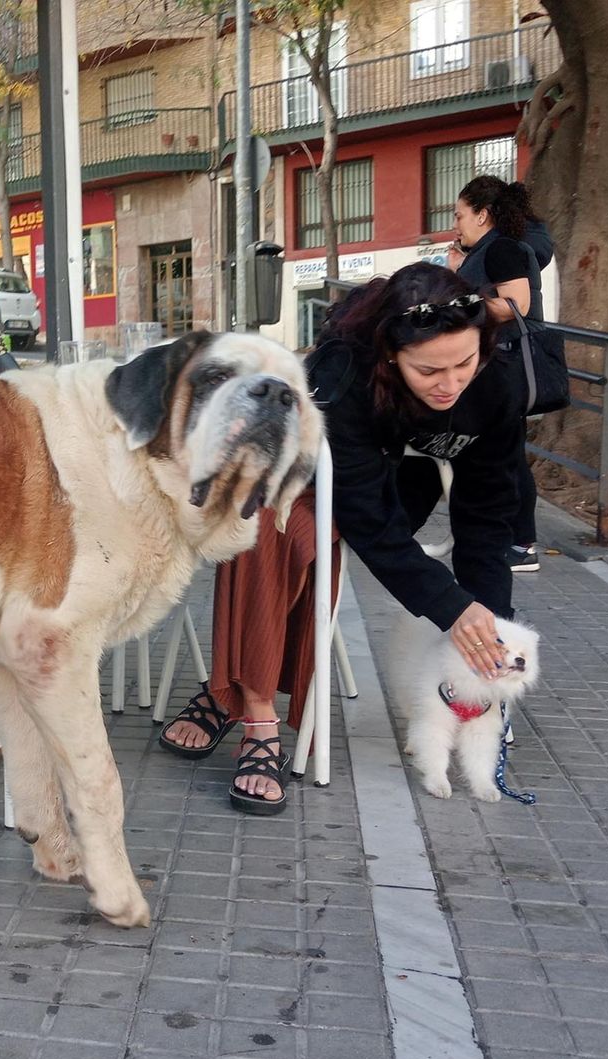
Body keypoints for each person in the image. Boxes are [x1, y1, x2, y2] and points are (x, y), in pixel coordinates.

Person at [160, 263, 526, 814]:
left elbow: (488, 516)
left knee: (303, 542)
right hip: (312, 473)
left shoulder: (498, 382)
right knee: (268, 525)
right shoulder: (347, 370)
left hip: (400, 487)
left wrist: (487, 628)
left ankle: (226, 689)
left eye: (464, 363)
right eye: (429, 370)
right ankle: (257, 713)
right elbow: (365, 518)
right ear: (390, 356)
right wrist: (448, 605)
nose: (450, 383)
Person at [448, 174, 552, 573]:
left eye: (460, 215)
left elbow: (516, 304)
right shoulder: (485, 251)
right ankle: (507, 537)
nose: (456, 224)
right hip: (496, 368)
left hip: (507, 368)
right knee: (502, 454)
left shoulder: (503, 248)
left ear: (482, 214)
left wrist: (460, 302)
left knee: (509, 457)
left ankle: (522, 544)